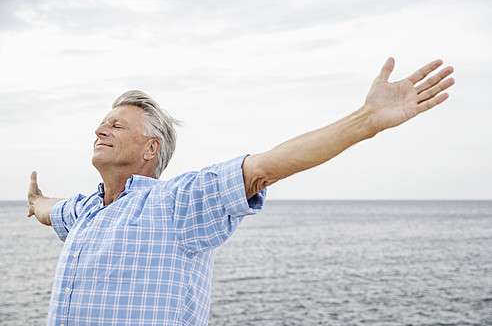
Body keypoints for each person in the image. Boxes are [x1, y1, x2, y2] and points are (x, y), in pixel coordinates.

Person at [28, 57, 454, 325]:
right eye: (102, 123)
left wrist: (365, 121)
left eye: (117, 125)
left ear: (151, 148)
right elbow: (52, 210)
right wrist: (35, 202)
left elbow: (269, 164)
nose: (100, 129)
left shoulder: (177, 203)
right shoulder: (85, 210)